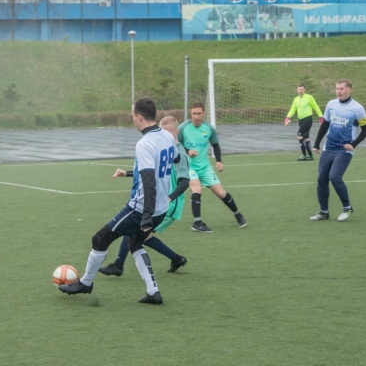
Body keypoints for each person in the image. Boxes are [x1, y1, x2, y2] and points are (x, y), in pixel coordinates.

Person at [58, 97, 177, 305]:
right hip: (161, 208)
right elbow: (174, 160)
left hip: (141, 209)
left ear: (138, 117)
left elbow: (149, 181)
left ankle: (85, 283)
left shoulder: (144, 143)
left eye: (132, 115)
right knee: (135, 243)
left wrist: (146, 216)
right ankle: (153, 292)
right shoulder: (167, 136)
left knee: (100, 239)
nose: (132, 118)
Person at [98, 116, 190, 277]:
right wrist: (127, 173)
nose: (162, 136)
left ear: (175, 132)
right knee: (137, 233)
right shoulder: (162, 147)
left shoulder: (179, 153)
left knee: (137, 233)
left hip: (169, 203)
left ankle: (119, 266)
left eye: (166, 132)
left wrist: (170, 198)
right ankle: (176, 259)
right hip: (160, 200)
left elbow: (185, 182)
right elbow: (149, 173)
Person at [178, 101, 247, 233]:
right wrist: (187, 151)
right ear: (190, 114)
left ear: (204, 114)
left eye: (199, 113)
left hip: (205, 167)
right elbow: (176, 144)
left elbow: (215, 144)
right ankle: (197, 223)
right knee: (197, 189)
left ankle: (238, 214)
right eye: (194, 113)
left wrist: (219, 160)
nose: (196, 116)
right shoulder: (183, 128)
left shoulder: (209, 128)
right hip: (188, 167)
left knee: (221, 193)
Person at [310, 79, 366, 222]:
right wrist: (317, 144)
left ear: (349, 90)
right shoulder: (331, 104)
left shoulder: (357, 108)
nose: (338, 91)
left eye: (342, 89)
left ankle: (347, 207)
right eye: (337, 89)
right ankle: (323, 212)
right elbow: (325, 125)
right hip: (328, 148)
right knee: (321, 179)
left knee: (334, 177)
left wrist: (353, 144)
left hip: (344, 150)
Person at [285, 84, 323, 161]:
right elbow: (293, 109)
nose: (300, 91)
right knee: (306, 138)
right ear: (297, 90)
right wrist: (287, 117)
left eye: (302, 89)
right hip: (301, 120)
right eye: (299, 89)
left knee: (299, 136)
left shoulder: (309, 97)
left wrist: (320, 116)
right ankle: (310, 156)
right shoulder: (296, 99)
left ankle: (304, 155)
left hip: (307, 119)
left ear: (304, 90)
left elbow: (315, 106)